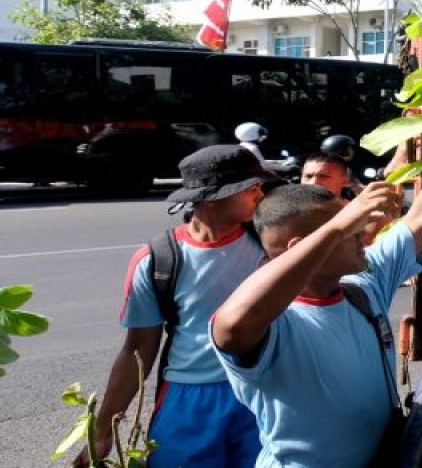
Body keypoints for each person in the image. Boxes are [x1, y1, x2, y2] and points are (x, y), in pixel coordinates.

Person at [209, 109, 422, 467]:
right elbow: (231, 325)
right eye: (346, 228)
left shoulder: (362, 287)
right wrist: (337, 227)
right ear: (305, 246)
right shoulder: (279, 325)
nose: (362, 232)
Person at [73, 145, 276, 468]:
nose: (260, 194)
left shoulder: (271, 246)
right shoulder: (157, 260)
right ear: (212, 197)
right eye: (250, 188)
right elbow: (137, 351)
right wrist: (102, 430)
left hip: (263, 394)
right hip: (187, 401)